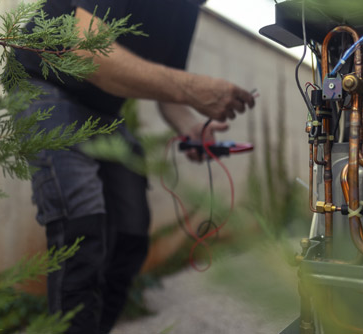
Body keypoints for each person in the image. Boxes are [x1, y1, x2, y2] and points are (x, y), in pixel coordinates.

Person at [16, 1, 255, 333]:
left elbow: (169, 93)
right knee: (81, 226)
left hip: (104, 110)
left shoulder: (186, 10)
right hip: (48, 84)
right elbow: (89, 52)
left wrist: (193, 130)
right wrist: (192, 87)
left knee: (130, 234)